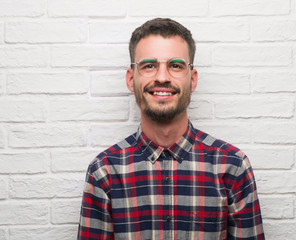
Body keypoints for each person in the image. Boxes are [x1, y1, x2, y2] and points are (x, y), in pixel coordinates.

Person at [78, 18, 265, 240]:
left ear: (192, 80)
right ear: (131, 79)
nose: (162, 77)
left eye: (175, 66)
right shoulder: (104, 172)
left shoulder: (232, 167)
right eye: (149, 66)